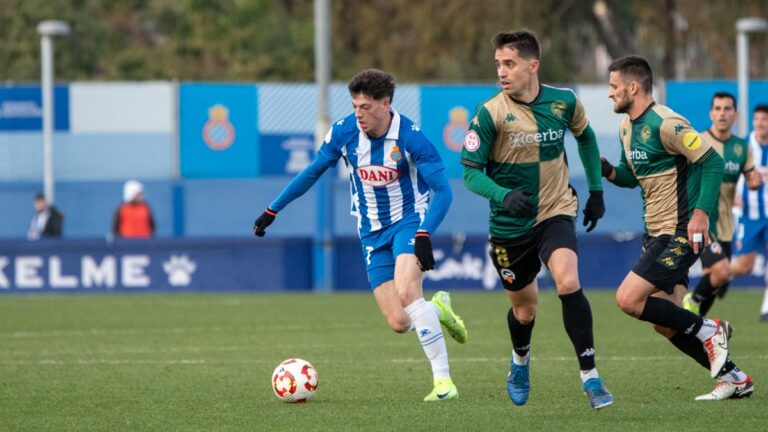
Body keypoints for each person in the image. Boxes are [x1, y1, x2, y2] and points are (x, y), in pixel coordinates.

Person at [252, 69, 466, 402]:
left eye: (366, 106)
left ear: (386, 103)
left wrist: (424, 232)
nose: (359, 114)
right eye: (355, 106)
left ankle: (443, 383)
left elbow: (444, 191)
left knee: (408, 291)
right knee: (399, 321)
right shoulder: (345, 131)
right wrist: (272, 209)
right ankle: (437, 309)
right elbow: (312, 172)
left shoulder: (411, 137)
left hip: (409, 222)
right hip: (370, 232)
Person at [460, 30, 612, 409]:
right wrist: (503, 195)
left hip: (555, 210)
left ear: (533, 65)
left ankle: (591, 378)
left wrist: (595, 191)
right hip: (510, 227)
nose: (502, 71)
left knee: (568, 280)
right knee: (524, 310)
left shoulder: (564, 102)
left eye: (509, 63)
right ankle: (520, 362)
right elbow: (470, 172)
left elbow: (587, 138)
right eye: (498, 64)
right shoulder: (489, 112)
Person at [601, 55, 753, 401]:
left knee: (627, 299)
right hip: (654, 232)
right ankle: (735, 378)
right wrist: (607, 170)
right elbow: (631, 177)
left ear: (633, 87)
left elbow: (712, 161)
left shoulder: (667, 123)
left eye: (613, 86)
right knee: (665, 322)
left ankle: (710, 329)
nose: (610, 94)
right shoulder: (627, 127)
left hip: (680, 231)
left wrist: (701, 215)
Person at [682, 93, 761, 316]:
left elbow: (750, 177)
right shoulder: (698, 141)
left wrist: (754, 182)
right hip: (703, 222)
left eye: (727, 109)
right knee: (722, 271)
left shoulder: (741, 147)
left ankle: (695, 325)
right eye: (717, 109)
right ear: (711, 114)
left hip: (726, 226)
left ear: (735, 115)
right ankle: (691, 300)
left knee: (717, 285)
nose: (722, 113)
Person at [729, 104, 768, 321]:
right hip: (749, 215)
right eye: (757, 120)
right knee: (745, 266)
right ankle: (715, 277)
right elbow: (728, 170)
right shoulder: (744, 146)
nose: (760, 123)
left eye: (764, 120)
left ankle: (766, 307)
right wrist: (732, 193)